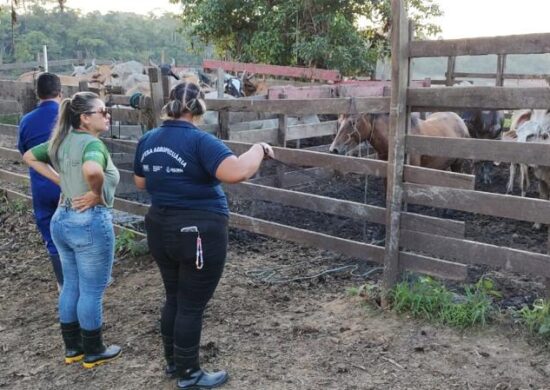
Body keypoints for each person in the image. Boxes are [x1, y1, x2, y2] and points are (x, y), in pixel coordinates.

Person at [133, 82, 274, 389]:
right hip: (198, 232)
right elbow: (236, 172)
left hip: (159, 227)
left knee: (174, 297)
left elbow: (141, 183)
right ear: (199, 107)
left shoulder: (147, 139)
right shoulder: (200, 141)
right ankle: (189, 374)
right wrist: (258, 149)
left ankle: (173, 363)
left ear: (171, 104)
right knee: (191, 305)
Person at [22, 91, 122, 368]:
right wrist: (96, 193)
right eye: (102, 111)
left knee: (71, 286)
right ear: (85, 118)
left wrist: (61, 182)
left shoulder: (61, 141)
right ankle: (94, 350)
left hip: (61, 221)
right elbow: (92, 170)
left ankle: (73, 348)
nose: (107, 115)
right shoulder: (92, 144)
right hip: (88, 221)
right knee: (91, 289)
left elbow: (30, 156)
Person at [17, 72, 63, 289]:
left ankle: (63, 284)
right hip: (69, 185)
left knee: (52, 238)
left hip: (42, 187)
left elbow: (24, 152)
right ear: (60, 93)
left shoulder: (26, 121)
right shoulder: (68, 116)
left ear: (38, 93)